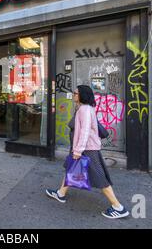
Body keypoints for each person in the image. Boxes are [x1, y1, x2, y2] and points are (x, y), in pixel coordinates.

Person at [45, 85, 130, 219]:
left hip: (86, 148)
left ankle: (118, 207)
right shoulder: (84, 108)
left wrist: (78, 150)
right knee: (71, 168)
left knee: (98, 175)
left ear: (82, 95)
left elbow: (85, 131)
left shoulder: (84, 110)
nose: (73, 95)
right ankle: (60, 193)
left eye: (75, 93)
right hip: (82, 147)